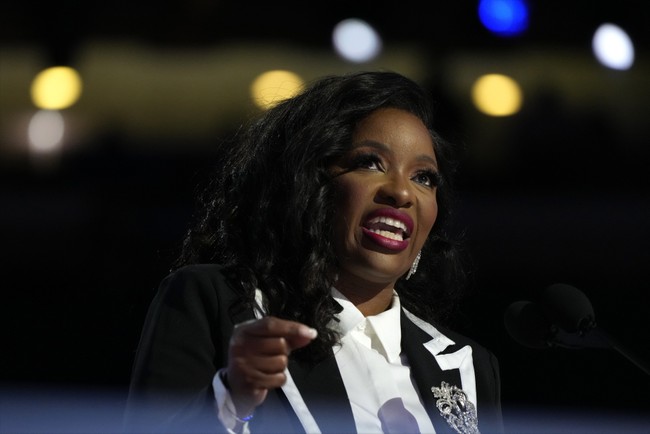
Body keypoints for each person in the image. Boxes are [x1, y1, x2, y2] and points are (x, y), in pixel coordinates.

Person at [124, 70, 503, 434]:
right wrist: (231, 400)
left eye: (423, 177)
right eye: (370, 162)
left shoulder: (469, 368)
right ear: (306, 183)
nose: (401, 192)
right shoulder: (218, 305)